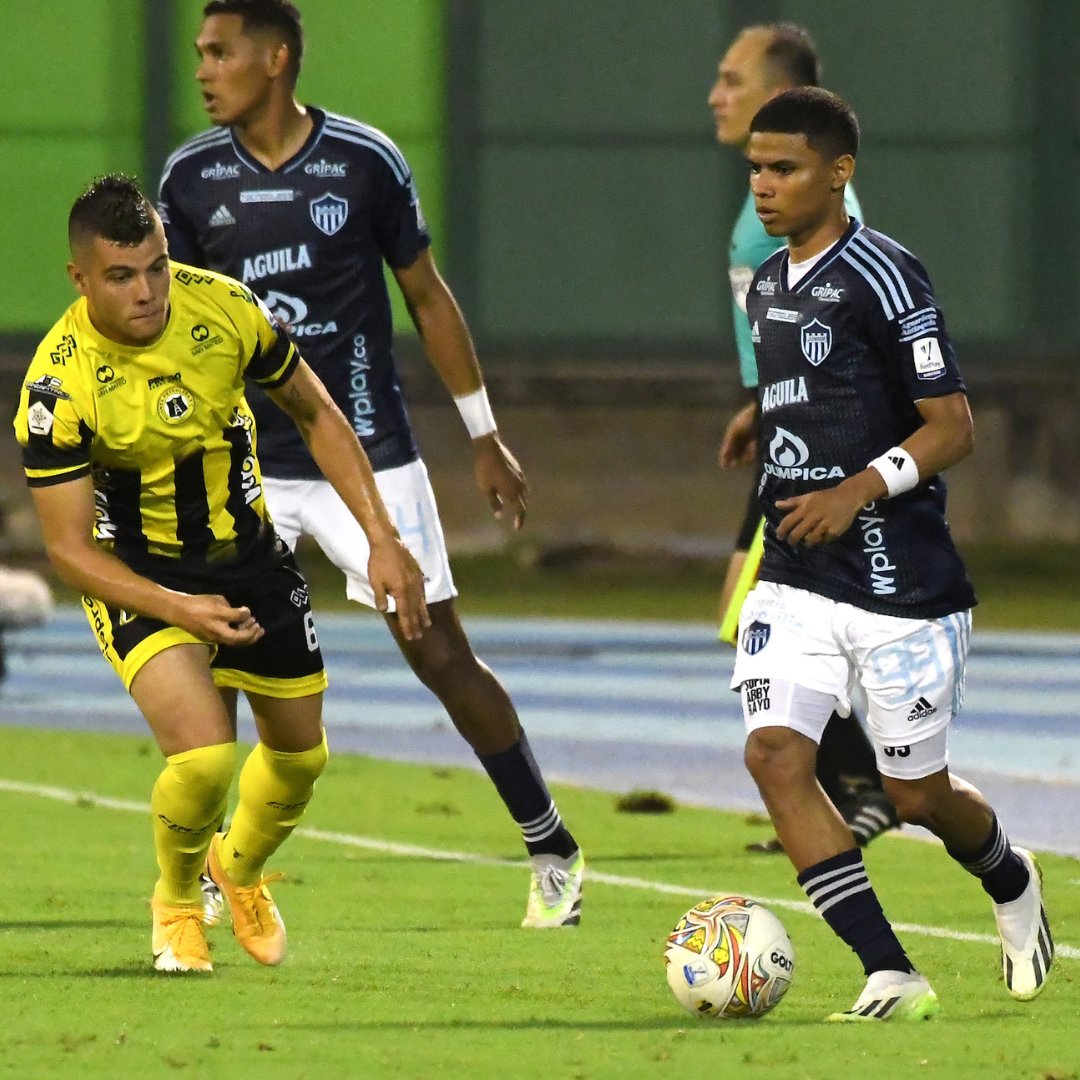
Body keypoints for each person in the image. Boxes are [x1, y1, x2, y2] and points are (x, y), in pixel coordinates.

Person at [157, 0, 584, 928]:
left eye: (219, 52)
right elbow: (174, 328)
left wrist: (482, 433)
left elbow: (426, 297)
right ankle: (208, 874)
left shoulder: (365, 162)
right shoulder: (189, 179)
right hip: (246, 464)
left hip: (366, 452)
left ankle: (549, 843)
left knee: (435, 649)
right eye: (198, 53)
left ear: (275, 59)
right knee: (214, 654)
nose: (203, 70)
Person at [14, 174, 428, 973]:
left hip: (251, 558)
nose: (148, 292)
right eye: (122, 276)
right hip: (137, 573)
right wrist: (179, 608)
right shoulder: (57, 386)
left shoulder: (226, 309)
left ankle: (234, 869)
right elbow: (69, 552)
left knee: (302, 758)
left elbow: (314, 411)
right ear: (80, 278)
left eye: (157, 267)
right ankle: (174, 906)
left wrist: (382, 536)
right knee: (204, 758)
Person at [728, 87, 1053, 1019]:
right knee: (775, 756)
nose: (763, 186)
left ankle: (1008, 873)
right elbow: (823, 378)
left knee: (917, 798)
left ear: (840, 173)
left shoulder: (886, 272)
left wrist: (855, 490)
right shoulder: (769, 282)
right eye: (754, 167)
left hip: (898, 581)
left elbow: (953, 427)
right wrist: (762, 415)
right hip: (794, 574)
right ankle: (891, 971)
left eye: (783, 168)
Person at [709, 23, 897, 852]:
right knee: (768, 615)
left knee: (763, 613)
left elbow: (841, 319)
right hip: (792, 425)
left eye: (732, 80)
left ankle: (864, 788)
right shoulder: (780, 206)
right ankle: (841, 791)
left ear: (777, 98)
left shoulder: (797, 214)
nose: (717, 96)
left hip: (820, 444)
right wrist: (758, 402)